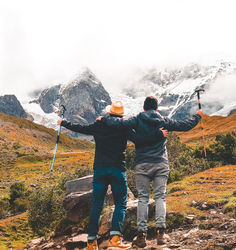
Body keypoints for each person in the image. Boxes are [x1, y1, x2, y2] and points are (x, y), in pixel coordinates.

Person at [57, 100, 167, 250]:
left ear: (109, 112)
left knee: (97, 205)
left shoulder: (99, 124)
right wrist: (158, 134)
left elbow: (80, 128)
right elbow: (140, 140)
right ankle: (115, 238)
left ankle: (91, 242)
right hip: (117, 170)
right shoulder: (124, 127)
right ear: (121, 114)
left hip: (100, 170)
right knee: (121, 204)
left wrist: (63, 123)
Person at [99, 96, 203, 248]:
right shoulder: (163, 120)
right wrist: (198, 115)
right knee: (160, 197)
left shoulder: (137, 119)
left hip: (142, 164)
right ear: (156, 108)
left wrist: (104, 119)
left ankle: (141, 235)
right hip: (161, 162)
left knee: (143, 198)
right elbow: (185, 125)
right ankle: (161, 233)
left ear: (143, 108)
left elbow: (119, 123)